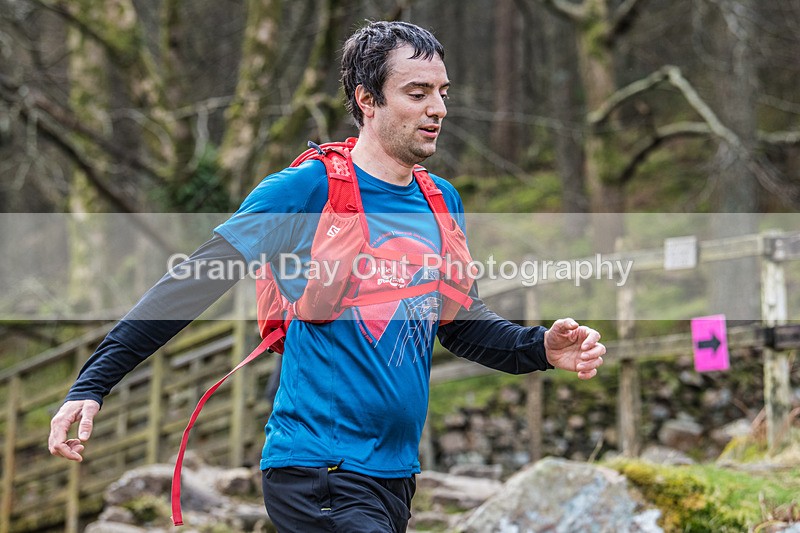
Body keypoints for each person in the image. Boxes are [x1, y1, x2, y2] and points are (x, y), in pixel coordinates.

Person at [48, 21, 605, 532]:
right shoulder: (306, 190)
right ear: (367, 99)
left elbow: (458, 324)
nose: (437, 108)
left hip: (394, 477)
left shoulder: (441, 201)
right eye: (417, 93)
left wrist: (539, 348)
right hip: (318, 470)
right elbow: (190, 285)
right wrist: (92, 384)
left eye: (442, 92)